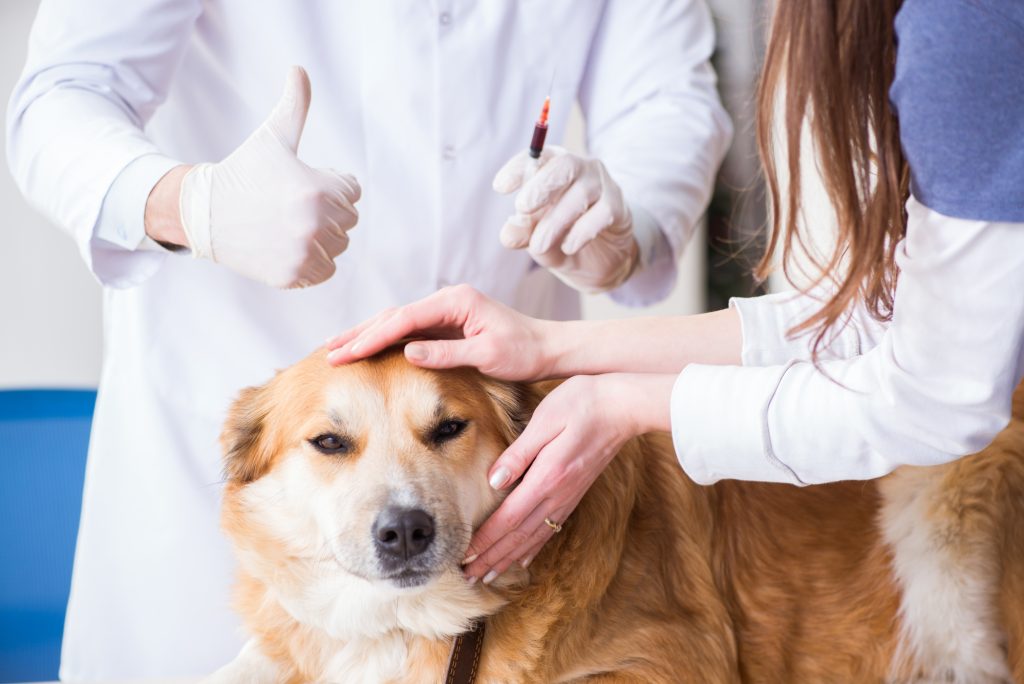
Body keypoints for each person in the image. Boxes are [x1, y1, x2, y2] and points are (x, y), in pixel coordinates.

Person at [5, 1, 731, 679]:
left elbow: (665, 99)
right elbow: (63, 93)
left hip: (495, 458)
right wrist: (188, 202)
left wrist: (626, 225)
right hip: (253, 417)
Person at [328, 0, 1024, 587]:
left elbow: (941, 388)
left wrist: (620, 396)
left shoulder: (963, 28)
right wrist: (554, 348)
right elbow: (887, 316)